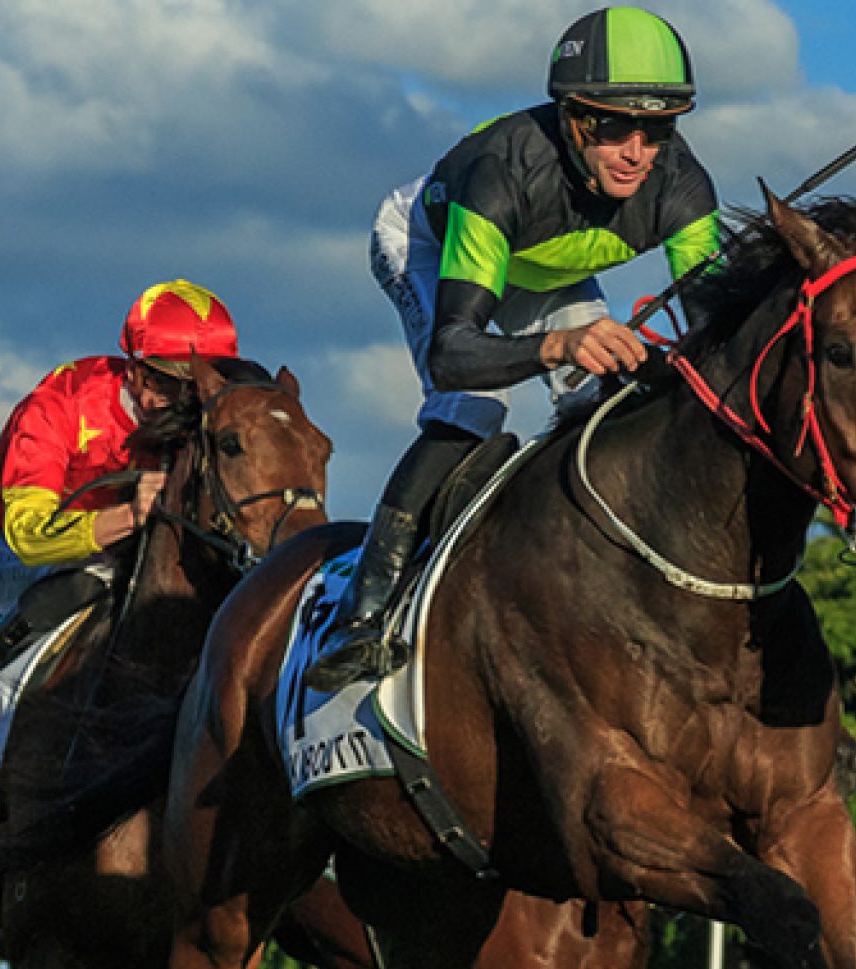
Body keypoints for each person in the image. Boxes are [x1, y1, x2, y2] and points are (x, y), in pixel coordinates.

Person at [306, 6, 721, 690]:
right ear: (573, 119)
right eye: (615, 125)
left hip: (544, 267)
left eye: (659, 128)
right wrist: (558, 343)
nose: (638, 152)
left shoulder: (682, 187)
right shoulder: (499, 171)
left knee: (613, 404)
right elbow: (454, 351)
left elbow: (713, 339)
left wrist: (663, 365)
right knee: (474, 405)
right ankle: (362, 612)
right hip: (435, 244)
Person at [0, 279, 240, 737]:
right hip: (11, 550)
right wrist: (130, 517)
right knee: (95, 577)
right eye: (167, 383)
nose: (180, 403)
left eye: (195, 387)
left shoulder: (200, 423)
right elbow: (29, 534)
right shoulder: (62, 401)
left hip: (125, 554)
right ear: (134, 370)